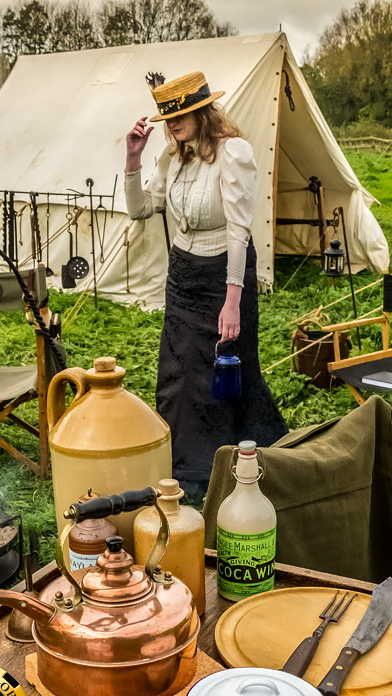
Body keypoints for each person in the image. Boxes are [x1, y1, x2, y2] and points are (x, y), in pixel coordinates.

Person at [125, 71, 287, 495]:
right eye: (167, 118)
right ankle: (182, 466)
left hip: (223, 275)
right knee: (178, 370)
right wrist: (133, 158)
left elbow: (239, 229)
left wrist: (232, 301)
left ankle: (228, 464)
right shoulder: (172, 157)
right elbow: (142, 210)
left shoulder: (233, 153)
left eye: (179, 116)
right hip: (183, 275)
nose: (171, 125)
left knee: (223, 369)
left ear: (202, 111)